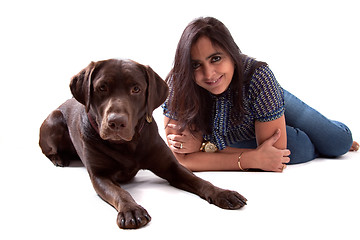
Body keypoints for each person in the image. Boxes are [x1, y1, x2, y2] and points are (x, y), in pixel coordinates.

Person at [162, 17, 359, 172]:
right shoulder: (177, 85)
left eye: (216, 58)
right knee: (302, 149)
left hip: (263, 97)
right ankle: (312, 136)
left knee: (338, 143)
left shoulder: (259, 77)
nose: (208, 74)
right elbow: (180, 158)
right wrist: (252, 159)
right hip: (241, 133)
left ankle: (325, 129)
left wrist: (205, 145)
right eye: (196, 65)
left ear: (232, 54)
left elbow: (273, 152)